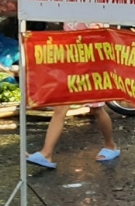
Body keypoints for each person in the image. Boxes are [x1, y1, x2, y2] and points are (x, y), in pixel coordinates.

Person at [27, 22, 119, 169]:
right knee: (60, 110)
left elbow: (102, 40)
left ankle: (110, 145)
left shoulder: (96, 15)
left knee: (96, 110)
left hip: (92, 69)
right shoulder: (68, 13)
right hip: (71, 69)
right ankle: (46, 153)